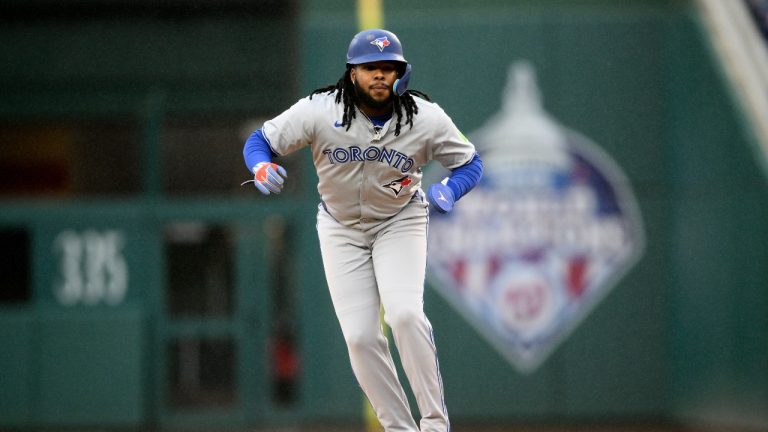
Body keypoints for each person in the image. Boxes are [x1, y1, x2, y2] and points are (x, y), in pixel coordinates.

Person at [242, 28, 483, 432]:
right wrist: (260, 166)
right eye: (370, 67)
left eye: (389, 68)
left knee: (405, 314)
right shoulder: (320, 110)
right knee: (360, 338)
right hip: (340, 227)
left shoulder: (424, 117)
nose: (380, 75)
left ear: (400, 73)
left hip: (399, 220)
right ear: (352, 72)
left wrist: (450, 189)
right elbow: (260, 139)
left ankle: (435, 423)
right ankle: (400, 429)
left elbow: (471, 163)